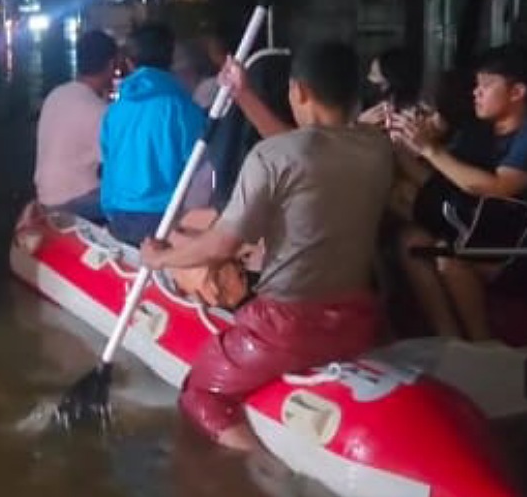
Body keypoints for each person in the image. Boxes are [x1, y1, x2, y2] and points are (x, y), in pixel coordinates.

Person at [140, 41, 394, 451]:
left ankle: (262, 475)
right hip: (358, 318)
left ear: (298, 92)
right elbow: (307, 149)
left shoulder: (272, 157)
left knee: (200, 395)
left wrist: (160, 257)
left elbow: (222, 244)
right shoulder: (378, 149)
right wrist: (244, 94)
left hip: (286, 326)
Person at [391, 44, 527, 340]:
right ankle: (447, 336)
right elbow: (446, 179)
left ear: (517, 92)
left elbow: (497, 187)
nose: (476, 93)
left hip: (524, 248)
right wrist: (404, 141)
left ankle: (481, 343)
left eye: (486, 86)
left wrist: (429, 149)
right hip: (478, 230)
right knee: (411, 240)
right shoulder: (480, 131)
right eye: (476, 85)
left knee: (452, 259)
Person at [100, 23, 206, 245]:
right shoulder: (183, 109)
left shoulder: (115, 110)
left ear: (130, 61)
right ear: (171, 58)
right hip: (164, 220)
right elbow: (200, 166)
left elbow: (108, 166)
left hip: (118, 216)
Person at [33, 30, 119, 221]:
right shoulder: (100, 112)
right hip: (74, 201)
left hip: (45, 194)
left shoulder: (56, 94)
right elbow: (116, 165)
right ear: (112, 65)